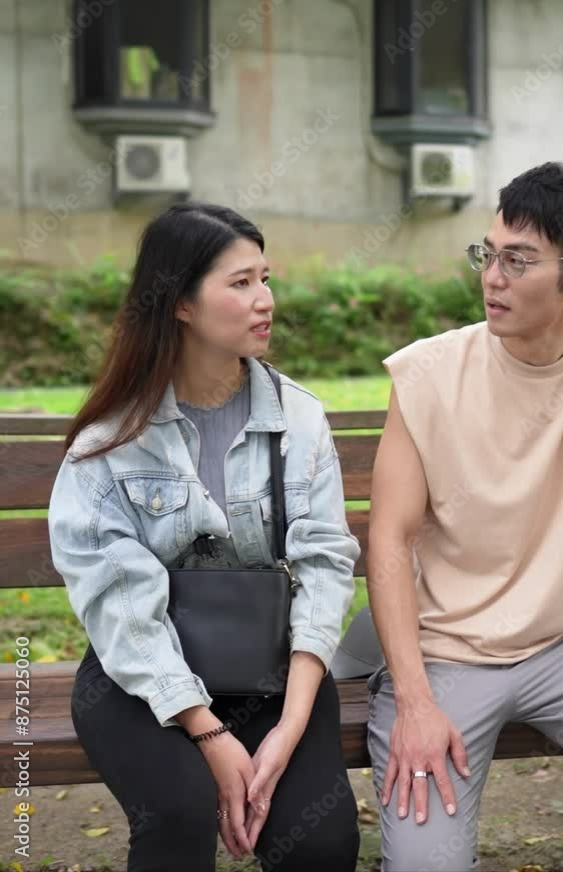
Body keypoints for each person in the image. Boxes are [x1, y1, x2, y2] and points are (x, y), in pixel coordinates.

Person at [48, 203, 360, 872]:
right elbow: (121, 607)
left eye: (265, 278)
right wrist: (210, 735)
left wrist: (290, 728)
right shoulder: (112, 440)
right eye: (240, 283)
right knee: (180, 816)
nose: (264, 300)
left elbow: (325, 567)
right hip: (142, 677)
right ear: (181, 304)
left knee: (320, 844)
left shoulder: (300, 419)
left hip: (273, 671)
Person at [367, 161, 563, 872]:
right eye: (488, 254)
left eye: (519, 261)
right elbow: (388, 538)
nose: (492, 277)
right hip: (446, 656)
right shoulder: (429, 373)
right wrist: (414, 702)